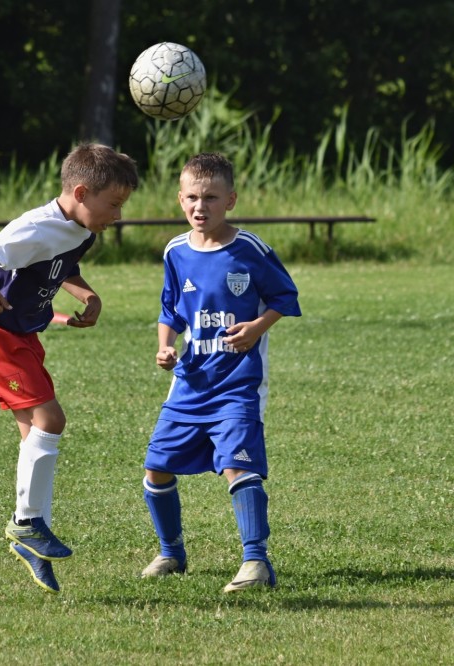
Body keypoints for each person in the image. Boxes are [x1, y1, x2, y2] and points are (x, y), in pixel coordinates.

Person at [0, 143, 138, 593]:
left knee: (35, 439)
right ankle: (27, 523)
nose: (118, 215)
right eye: (113, 204)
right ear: (81, 192)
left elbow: (61, 266)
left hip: (21, 336)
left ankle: (31, 540)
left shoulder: (82, 229)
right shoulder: (36, 226)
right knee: (51, 419)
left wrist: (88, 295)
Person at [140, 152, 301, 592]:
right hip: (190, 383)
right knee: (157, 468)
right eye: (192, 197)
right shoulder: (176, 251)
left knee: (237, 466)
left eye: (211, 198)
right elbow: (170, 310)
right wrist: (165, 346)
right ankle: (171, 552)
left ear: (230, 200)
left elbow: (285, 297)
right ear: (180, 199)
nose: (200, 206)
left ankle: (256, 563)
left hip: (238, 383)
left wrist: (256, 328)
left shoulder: (250, 249)